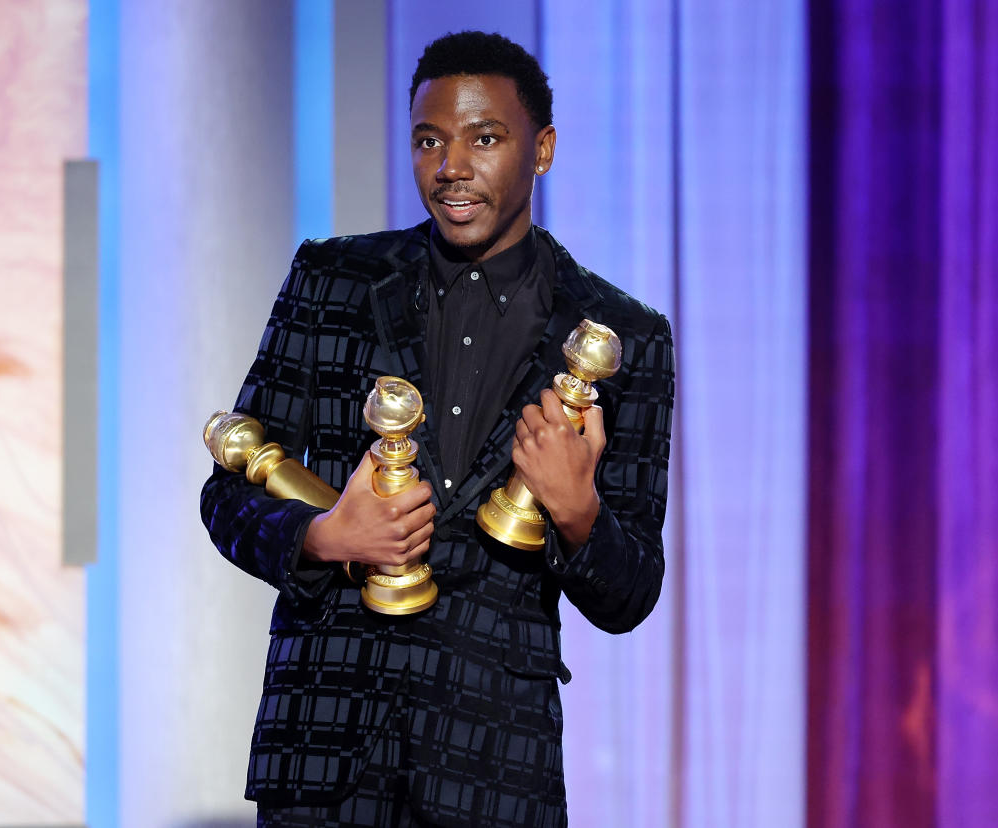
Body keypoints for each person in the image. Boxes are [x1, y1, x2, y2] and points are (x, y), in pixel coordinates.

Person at [201, 30, 674, 828]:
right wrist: (324, 537)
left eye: (484, 138)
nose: (452, 166)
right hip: (323, 752)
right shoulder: (332, 280)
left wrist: (577, 511)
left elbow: (632, 592)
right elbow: (226, 495)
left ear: (543, 148)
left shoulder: (621, 333)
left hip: (494, 761)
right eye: (430, 140)